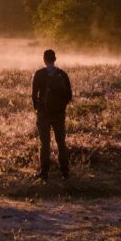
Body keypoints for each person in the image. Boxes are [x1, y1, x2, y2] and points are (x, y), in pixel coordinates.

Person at [31, 49, 72, 180]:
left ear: (44, 59)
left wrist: (38, 109)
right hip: (59, 114)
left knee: (45, 144)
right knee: (61, 142)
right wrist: (61, 108)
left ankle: (44, 173)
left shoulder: (39, 74)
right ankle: (65, 172)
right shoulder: (62, 74)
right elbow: (69, 95)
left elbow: (34, 95)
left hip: (43, 114)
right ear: (55, 59)